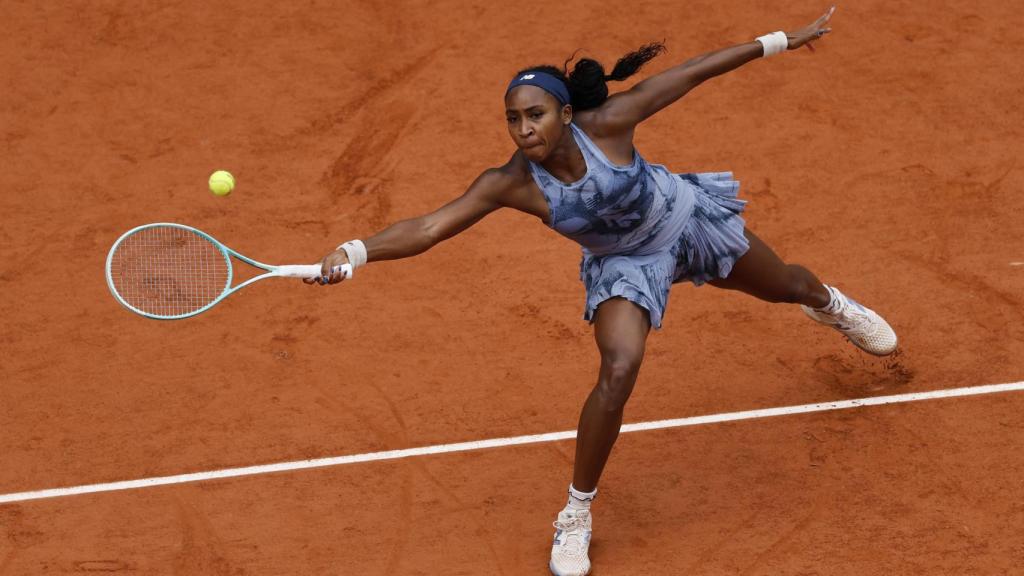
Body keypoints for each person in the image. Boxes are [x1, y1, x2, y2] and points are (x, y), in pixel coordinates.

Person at [308, 6, 895, 575]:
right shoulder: (510, 183)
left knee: (788, 285)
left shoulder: (608, 125)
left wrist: (778, 41)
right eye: (512, 119)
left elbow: (692, 72)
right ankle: (577, 512)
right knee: (619, 367)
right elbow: (429, 227)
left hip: (685, 220)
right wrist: (354, 253)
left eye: (534, 115)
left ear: (565, 114)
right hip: (625, 264)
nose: (523, 129)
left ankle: (832, 307)